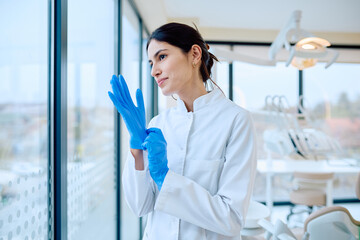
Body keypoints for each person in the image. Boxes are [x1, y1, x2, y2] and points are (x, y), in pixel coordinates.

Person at [108, 22, 257, 240]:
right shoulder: (158, 123)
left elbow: (231, 219)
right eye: (150, 62)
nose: (153, 71)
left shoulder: (236, 121)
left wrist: (164, 177)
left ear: (194, 54)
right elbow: (140, 206)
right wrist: (137, 150)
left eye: (162, 57)